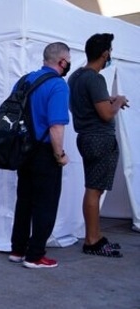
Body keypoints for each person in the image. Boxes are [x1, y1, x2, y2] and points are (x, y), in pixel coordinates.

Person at [8, 42, 71, 269]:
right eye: (68, 60)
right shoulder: (58, 85)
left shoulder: (24, 80)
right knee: (46, 204)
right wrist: (60, 154)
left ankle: (17, 249)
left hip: (23, 149)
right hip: (45, 151)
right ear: (62, 61)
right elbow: (56, 126)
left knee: (24, 200)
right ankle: (35, 256)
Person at [68, 33, 128, 258]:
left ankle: (95, 236)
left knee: (93, 188)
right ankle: (92, 240)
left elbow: (87, 104)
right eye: (110, 51)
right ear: (105, 54)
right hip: (99, 138)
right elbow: (104, 114)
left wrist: (109, 100)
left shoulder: (75, 77)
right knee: (94, 190)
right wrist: (118, 101)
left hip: (85, 136)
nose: (110, 54)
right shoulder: (95, 78)